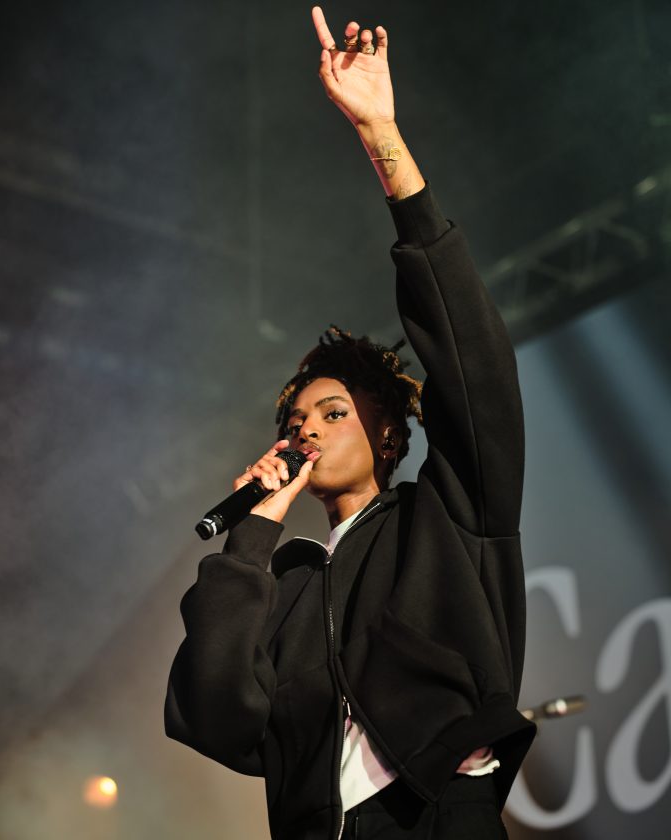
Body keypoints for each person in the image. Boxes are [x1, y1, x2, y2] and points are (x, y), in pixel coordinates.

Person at [165, 6, 536, 839]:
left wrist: (380, 136)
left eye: (334, 413)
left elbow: (475, 367)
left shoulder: (446, 519)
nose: (308, 429)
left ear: (389, 436)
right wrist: (250, 544)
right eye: (297, 419)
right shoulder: (285, 583)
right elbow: (217, 720)